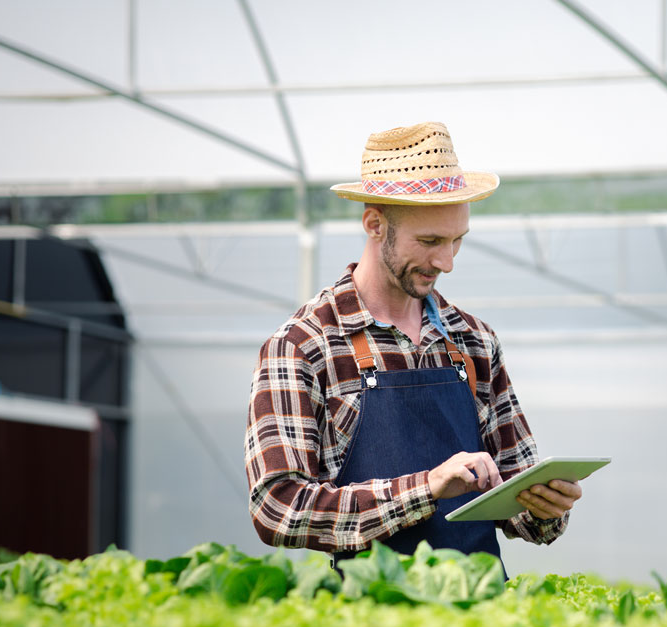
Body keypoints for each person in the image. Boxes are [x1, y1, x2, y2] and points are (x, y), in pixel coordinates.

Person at [244, 121, 581, 571]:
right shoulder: (305, 345)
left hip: (480, 616)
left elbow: (516, 490)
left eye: (457, 241)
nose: (446, 262)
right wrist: (426, 489)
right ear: (374, 224)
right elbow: (278, 508)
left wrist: (544, 506)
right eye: (429, 242)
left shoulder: (473, 340)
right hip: (366, 624)